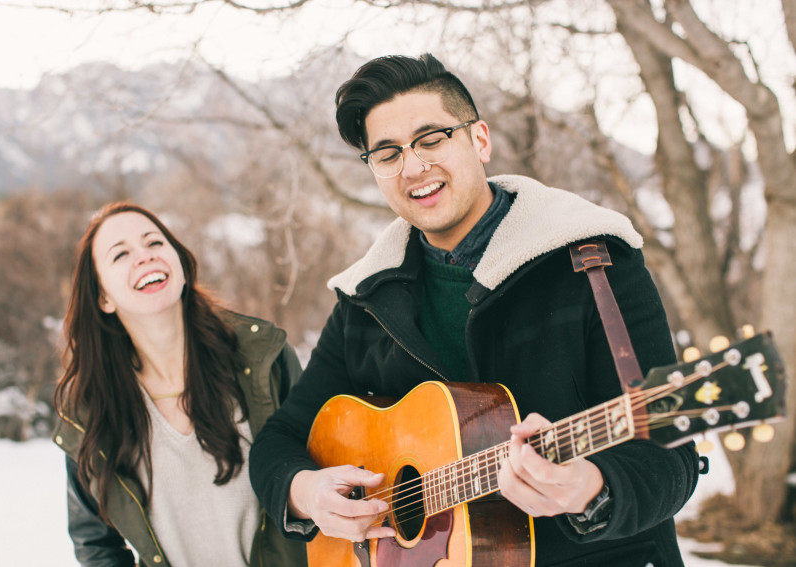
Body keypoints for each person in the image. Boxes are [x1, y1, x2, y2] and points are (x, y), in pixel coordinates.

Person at [249, 53, 699, 565]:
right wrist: (306, 494)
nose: (413, 167)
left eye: (431, 139)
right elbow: (277, 442)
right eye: (387, 153)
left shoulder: (593, 264)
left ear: (479, 140)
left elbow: (671, 446)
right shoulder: (365, 301)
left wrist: (591, 488)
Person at [52, 202, 307, 567]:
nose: (144, 257)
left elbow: (322, 470)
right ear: (103, 297)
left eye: (154, 243)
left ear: (181, 266)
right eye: (121, 254)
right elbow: (95, 543)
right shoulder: (90, 412)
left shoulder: (262, 359)